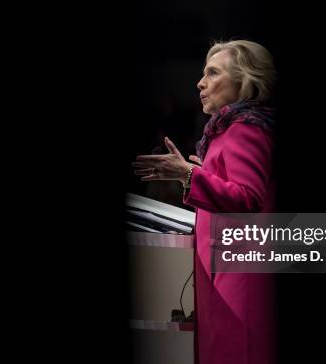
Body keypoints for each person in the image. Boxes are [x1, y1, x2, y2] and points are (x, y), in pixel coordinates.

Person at [133, 39, 277, 364]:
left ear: (246, 81)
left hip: (239, 283)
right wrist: (199, 173)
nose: (200, 82)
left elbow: (248, 197)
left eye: (213, 73)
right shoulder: (231, 129)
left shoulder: (245, 129)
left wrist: (189, 175)